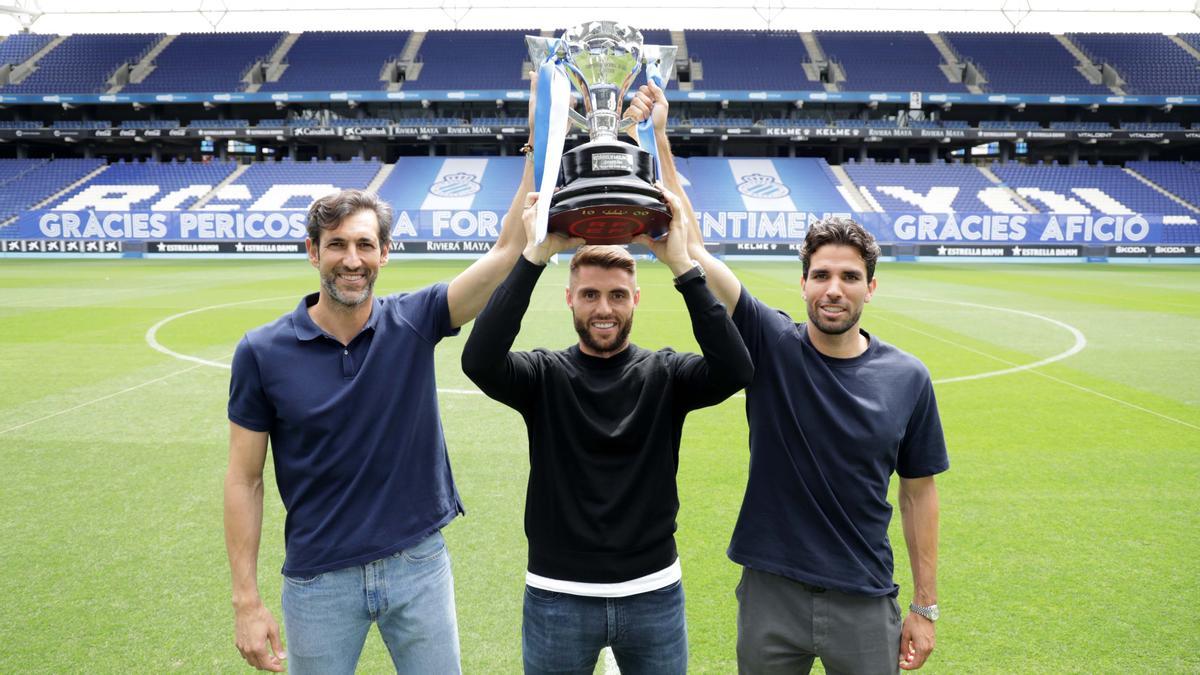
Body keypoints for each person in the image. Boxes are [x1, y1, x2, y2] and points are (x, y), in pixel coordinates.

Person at [626, 82, 948, 674]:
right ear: (802, 283)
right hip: (771, 593)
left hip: (864, 596)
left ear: (870, 288)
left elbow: (919, 491)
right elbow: (691, 247)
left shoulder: (909, 377)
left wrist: (925, 606)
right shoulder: (772, 342)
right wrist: (661, 136)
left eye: (849, 277)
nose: (833, 288)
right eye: (821, 274)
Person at [223, 180, 531, 673]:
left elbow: (509, 250)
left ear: (385, 253)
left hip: (418, 566)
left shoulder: (415, 319)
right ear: (312, 252)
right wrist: (246, 602)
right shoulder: (261, 352)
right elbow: (244, 478)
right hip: (317, 580)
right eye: (337, 244)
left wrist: (536, 150)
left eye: (365, 244)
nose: (351, 259)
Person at [460, 187, 753, 674]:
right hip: (558, 596)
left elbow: (735, 370)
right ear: (569, 299)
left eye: (618, 295)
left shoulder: (665, 374)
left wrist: (683, 267)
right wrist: (535, 255)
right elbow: (479, 360)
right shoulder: (544, 375)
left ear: (635, 298)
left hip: (652, 593)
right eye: (590, 295)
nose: (604, 309)